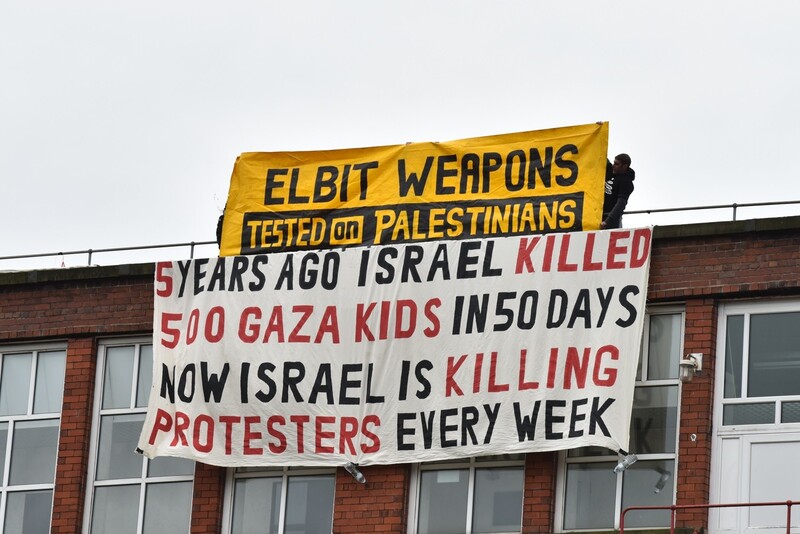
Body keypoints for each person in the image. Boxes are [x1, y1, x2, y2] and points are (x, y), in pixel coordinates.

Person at [601, 153, 635, 229]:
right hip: (596, 215)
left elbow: (621, 203)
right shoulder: (610, 169)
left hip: (610, 221)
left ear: (625, 166)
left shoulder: (626, 182)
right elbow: (600, 155)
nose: (613, 165)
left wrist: (608, 221)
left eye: (616, 164)